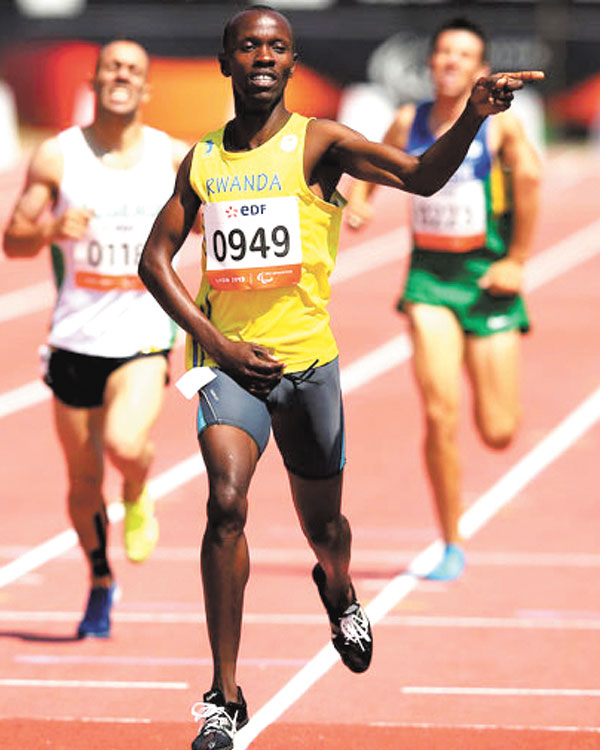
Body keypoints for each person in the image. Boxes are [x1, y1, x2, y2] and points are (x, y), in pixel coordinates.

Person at [138, 6, 542, 749]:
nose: (263, 56)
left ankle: (340, 587)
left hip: (308, 366)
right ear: (226, 62)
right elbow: (153, 262)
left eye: (277, 47)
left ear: (293, 64)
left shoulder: (318, 142)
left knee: (325, 529)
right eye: (249, 46)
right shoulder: (200, 160)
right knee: (225, 503)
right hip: (228, 367)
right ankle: (224, 698)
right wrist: (213, 342)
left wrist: (474, 117)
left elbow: (420, 176)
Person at [3, 39, 189, 638]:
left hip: (141, 337)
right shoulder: (59, 157)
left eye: (134, 69)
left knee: (125, 443)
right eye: (113, 67)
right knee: (82, 482)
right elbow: (14, 238)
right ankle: (100, 580)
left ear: (146, 86)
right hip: (74, 340)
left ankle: (137, 488)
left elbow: (229, 209)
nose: (122, 76)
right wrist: (51, 227)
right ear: (96, 77)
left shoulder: (171, 156)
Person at [346, 18, 542, 581]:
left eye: (465, 55)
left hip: (486, 281)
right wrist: (359, 201)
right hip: (428, 280)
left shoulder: (500, 129)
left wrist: (517, 260)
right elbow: (370, 158)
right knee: (438, 411)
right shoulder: (410, 119)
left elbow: (529, 181)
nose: (452, 62)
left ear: (480, 68)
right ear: (430, 64)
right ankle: (450, 540)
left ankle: (493, 375)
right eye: (444, 53)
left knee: (498, 429)